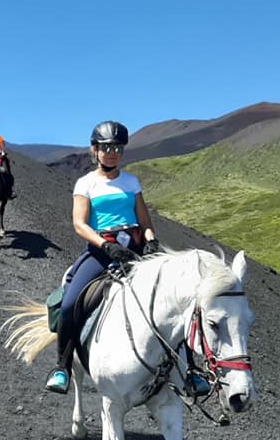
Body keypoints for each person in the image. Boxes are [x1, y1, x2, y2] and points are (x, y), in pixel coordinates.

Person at [43, 120, 211, 397]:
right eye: (107, 147)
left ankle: (190, 370)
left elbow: (144, 221)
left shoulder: (131, 182)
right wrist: (105, 246)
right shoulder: (85, 184)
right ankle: (62, 367)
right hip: (101, 250)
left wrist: (151, 241)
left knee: (174, 302)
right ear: (95, 150)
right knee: (71, 301)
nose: (113, 153)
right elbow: (79, 224)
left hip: (135, 250)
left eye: (118, 148)